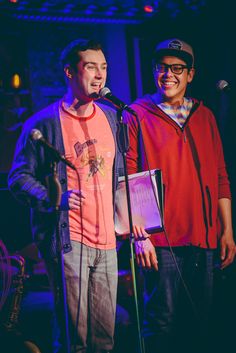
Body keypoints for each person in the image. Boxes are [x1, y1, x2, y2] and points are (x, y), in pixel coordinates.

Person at [8, 38, 123, 353]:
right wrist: (51, 199)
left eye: (104, 68)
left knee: (105, 340)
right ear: (70, 73)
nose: (99, 75)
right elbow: (18, 177)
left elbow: (120, 177)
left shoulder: (112, 118)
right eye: (90, 67)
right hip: (68, 241)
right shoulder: (44, 123)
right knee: (74, 339)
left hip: (108, 243)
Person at [124, 38, 236, 353]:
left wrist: (227, 230)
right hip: (160, 241)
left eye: (177, 68)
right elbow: (129, 178)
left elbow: (220, 175)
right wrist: (140, 234)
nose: (168, 74)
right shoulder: (136, 114)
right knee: (161, 323)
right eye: (162, 67)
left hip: (205, 238)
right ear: (153, 71)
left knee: (200, 323)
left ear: (191, 74)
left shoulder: (205, 115)